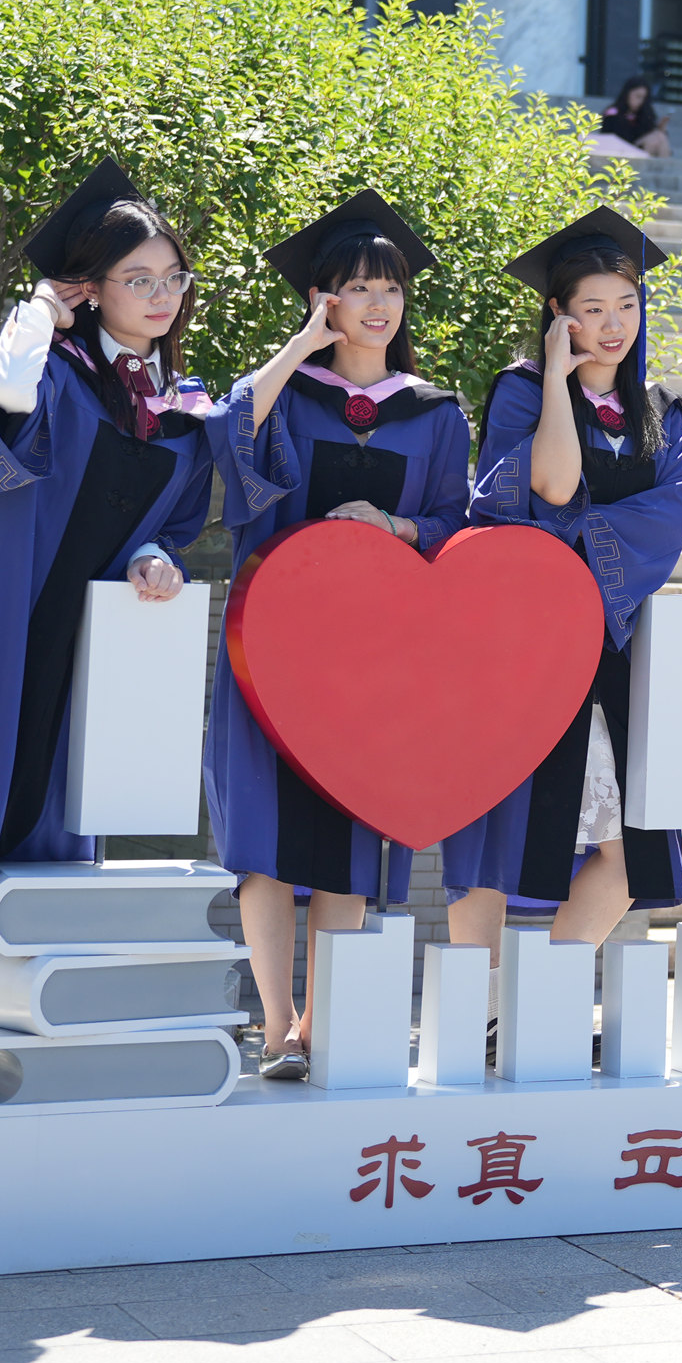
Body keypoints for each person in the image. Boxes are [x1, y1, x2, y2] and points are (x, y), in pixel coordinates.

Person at [0, 161, 218, 1101]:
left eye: (172, 278)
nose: (159, 295)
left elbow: (173, 519)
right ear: (90, 288)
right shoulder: (49, 369)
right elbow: (2, 406)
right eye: (136, 278)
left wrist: (160, 556)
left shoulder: (183, 409)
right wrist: (38, 316)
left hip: (89, 636)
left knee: (60, 806)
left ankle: (14, 1022)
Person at [206, 191, 474, 1080]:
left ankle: (321, 1026)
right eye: (356, 287)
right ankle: (275, 1024)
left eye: (389, 288)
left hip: (370, 656)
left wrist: (396, 527)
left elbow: (454, 521)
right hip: (271, 645)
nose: (376, 304)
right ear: (322, 299)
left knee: (346, 842)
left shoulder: (435, 414)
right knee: (265, 839)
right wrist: (299, 346)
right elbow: (232, 435)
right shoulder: (288, 396)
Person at [447, 207, 682, 954]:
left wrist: (571, 534)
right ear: (559, 314)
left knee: (636, 843)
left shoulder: (662, 412)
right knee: (500, 827)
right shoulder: (523, 391)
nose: (614, 325)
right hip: (530, 637)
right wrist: (557, 380)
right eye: (592, 309)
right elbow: (552, 485)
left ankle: (535, 999)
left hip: (618, 643)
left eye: (627, 305)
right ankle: (478, 1005)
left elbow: (666, 517)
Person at [593, 76, 671, 159]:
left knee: (660, 136)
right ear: (627, 94)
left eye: (643, 98)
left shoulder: (644, 114)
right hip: (620, 150)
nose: (640, 101)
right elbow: (609, 139)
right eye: (637, 96)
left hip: (641, 150)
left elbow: (648, 133)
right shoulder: (613, 114)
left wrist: (661, 128)